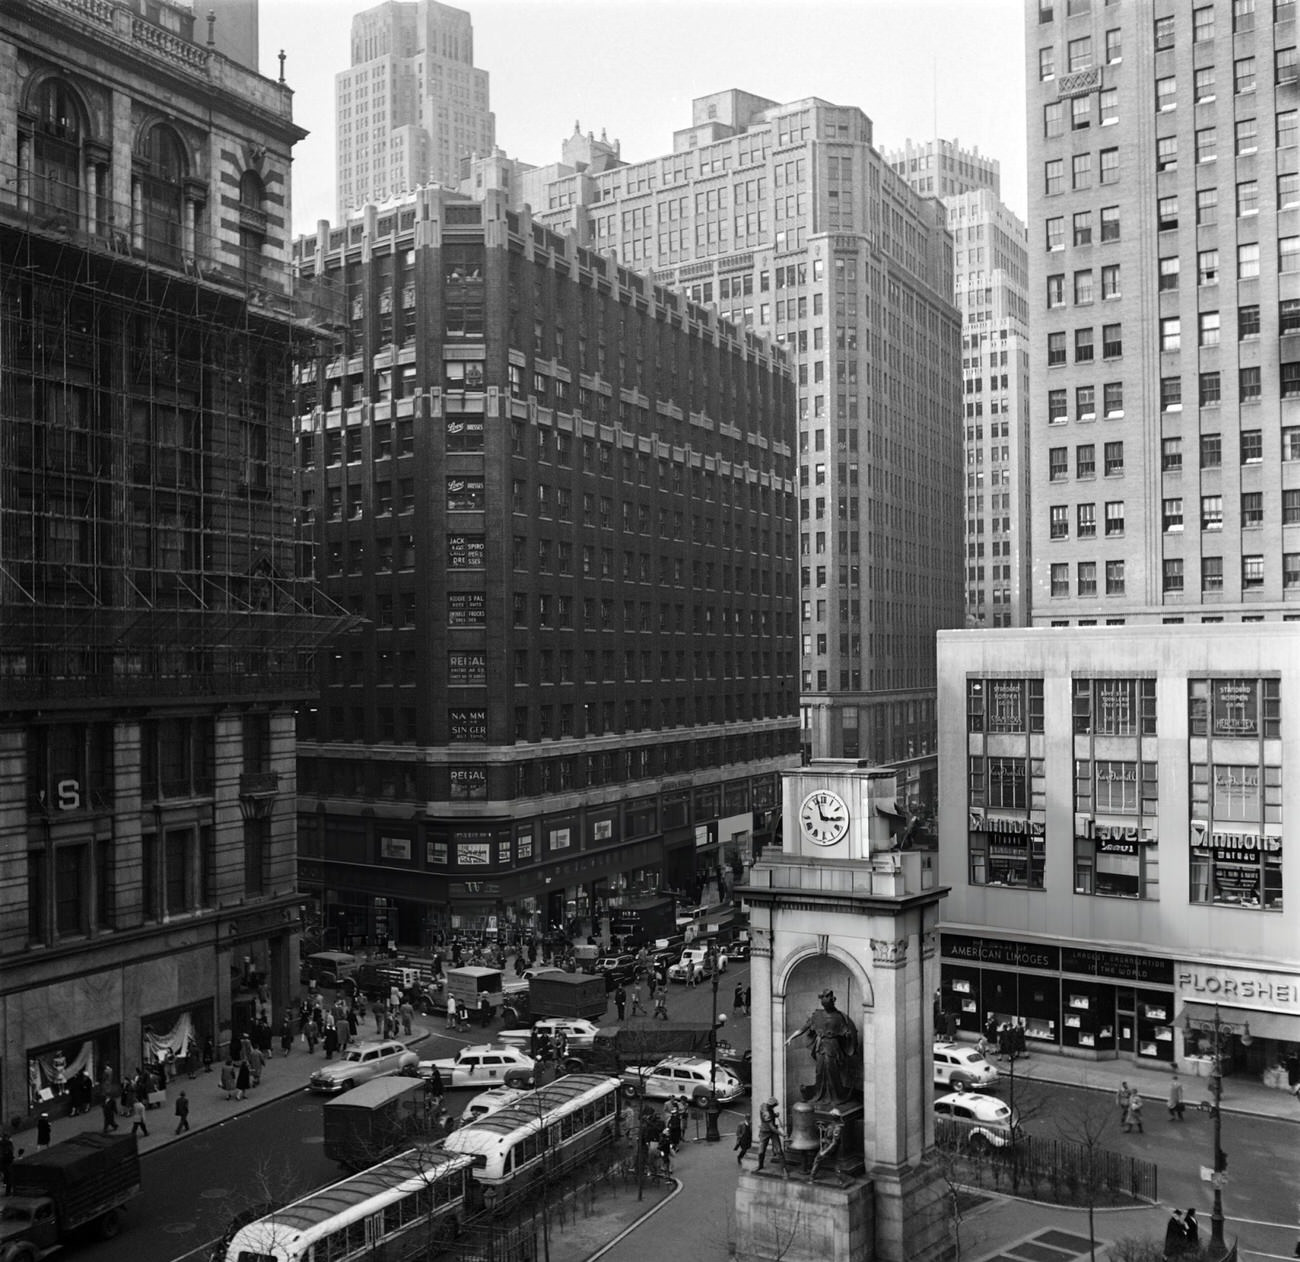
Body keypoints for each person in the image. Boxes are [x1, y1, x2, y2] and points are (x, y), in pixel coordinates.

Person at [785, 990, 860, 1108]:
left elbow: (846, 1032)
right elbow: (803, 1028)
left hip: (833, 1048)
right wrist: (790, 1038)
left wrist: (848, 1035)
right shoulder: (817, 1016)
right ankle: (820, 1095)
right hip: (820, 1048)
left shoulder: (839, 1017)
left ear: (833, 1001)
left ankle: (835, 1095)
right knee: (819, 1071)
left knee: (832, 1071)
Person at [808, 1109, 847, 1186]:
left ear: (834, 1116)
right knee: (836, 1163)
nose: (830, 1116)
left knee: (818, 1159)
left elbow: (834, 1142)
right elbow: (829, 1132)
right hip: (829, 1145)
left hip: (829, 1147)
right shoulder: (834, 1124)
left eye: (831, 1115)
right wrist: (823, 1128)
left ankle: (812, 1176)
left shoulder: (837, 1128)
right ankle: (840, 1180)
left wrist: (824, 1152)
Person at [755, 1098, 786, 1174]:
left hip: (772, 1132)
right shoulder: (767, 1112)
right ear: (771, 1105)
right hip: (765, 1132)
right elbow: (772, 1127)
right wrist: (782, 1134)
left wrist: (775, 1115)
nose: (774, 1108)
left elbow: (769, 1114)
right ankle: (760, 1165)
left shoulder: (764, 1105)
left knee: (779, 1150)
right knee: (761, 1152)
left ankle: (784, 1168)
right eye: (774, 1106)